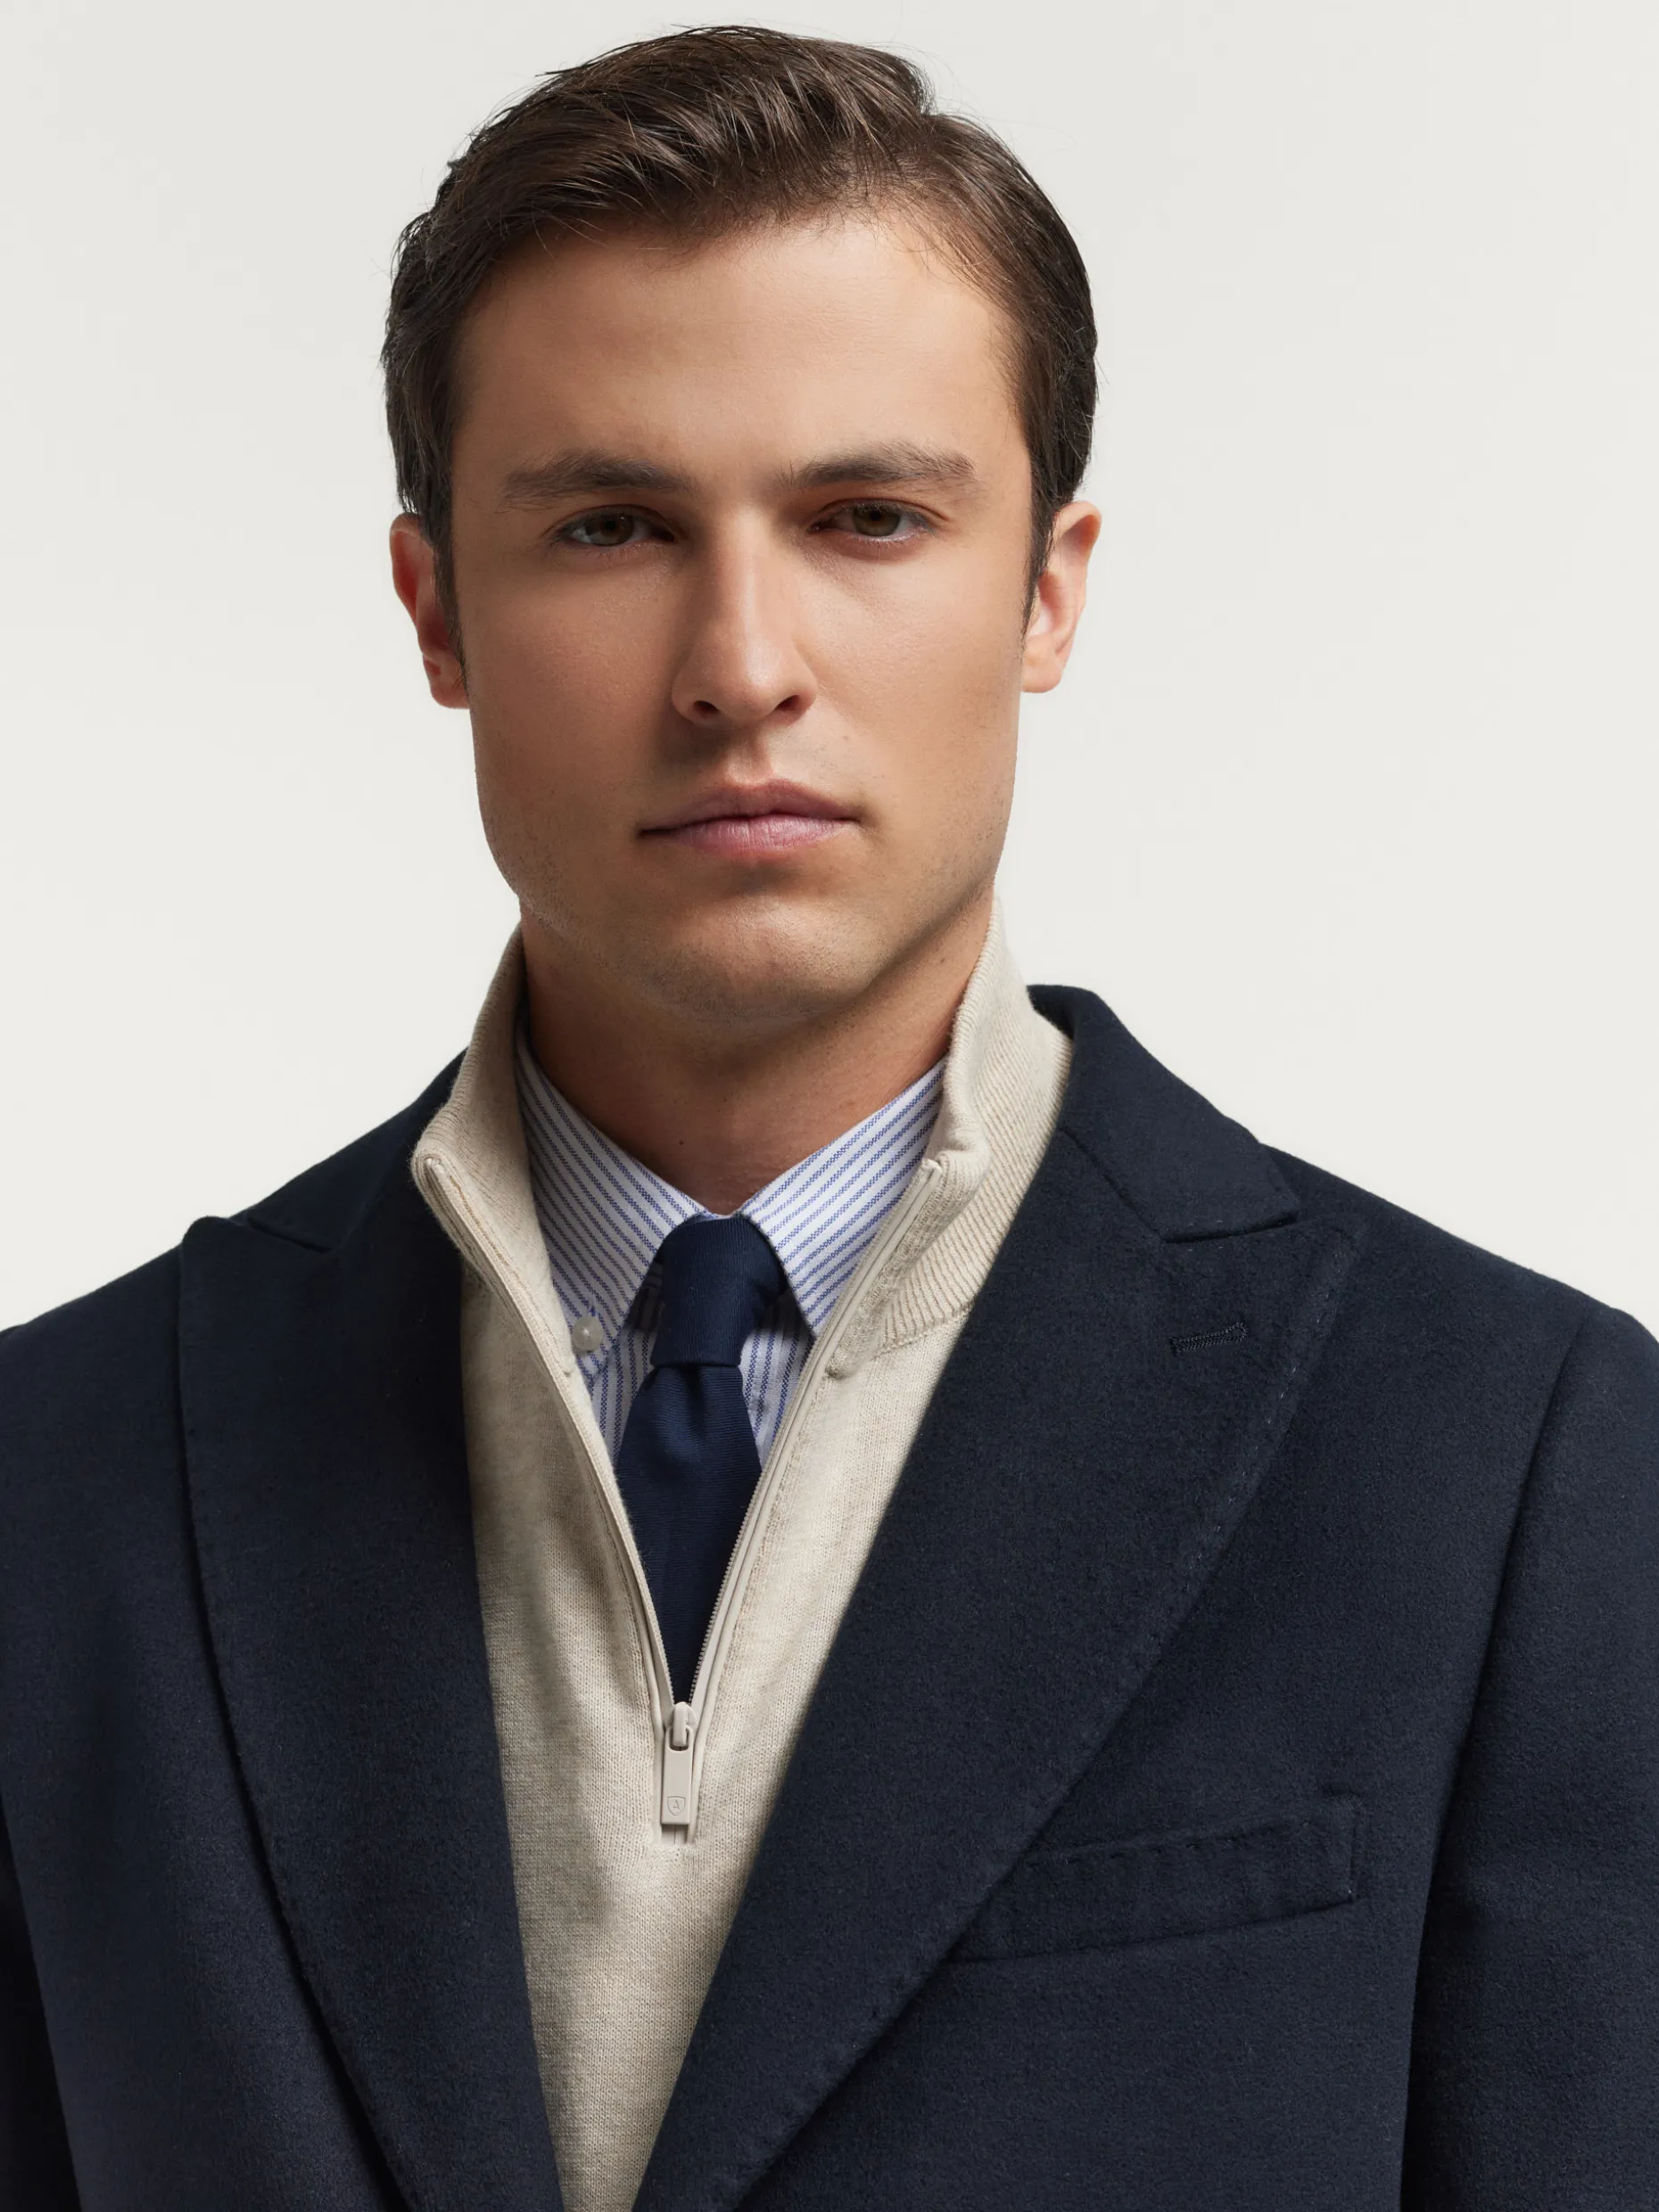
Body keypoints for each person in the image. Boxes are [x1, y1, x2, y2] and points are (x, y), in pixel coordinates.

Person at [2, 25, 1655, 2211]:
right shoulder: (61, 1481)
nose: (741, 663)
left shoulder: (1509, 1459)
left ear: (1049, 586)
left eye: (869, 518)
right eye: (611, 525)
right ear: (437, 610)